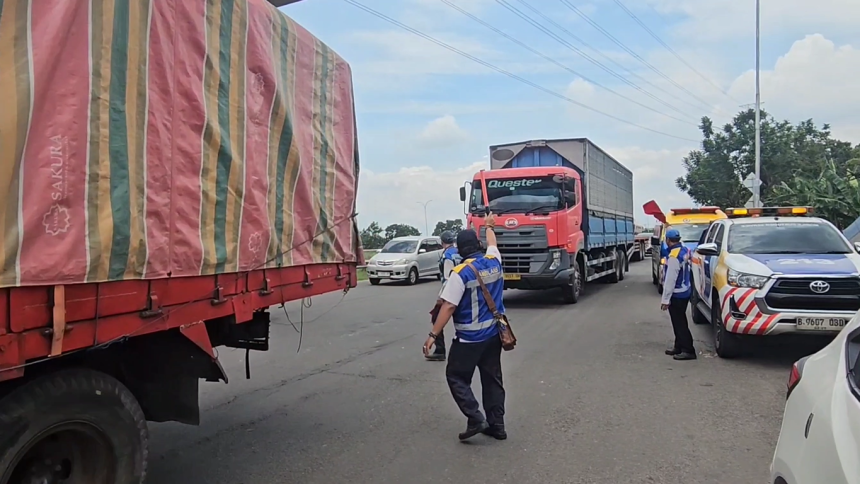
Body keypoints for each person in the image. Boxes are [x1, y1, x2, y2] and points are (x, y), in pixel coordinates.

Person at [423, 214, 507, 441]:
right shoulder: (494, 261)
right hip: (494, 335)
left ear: (460, 251)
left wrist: (433, 335)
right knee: (492, 379)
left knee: (456, 377)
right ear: (478, 245)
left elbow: (449, 306)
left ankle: (475, 418)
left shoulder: (460, 273)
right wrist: (489, 226)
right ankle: (497, 426)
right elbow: (493, 244)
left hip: (469, 339)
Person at [660, 228, 696, 360]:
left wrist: (665, 300)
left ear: (668, 240)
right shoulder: (685, 250)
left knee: (679, 323)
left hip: (677, 294)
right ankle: (679, 346)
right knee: (679, 321)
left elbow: (670, 280)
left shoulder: (673, 257)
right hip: (685, 291)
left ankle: (688, 350)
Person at [426, 231, 461, 362]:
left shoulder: (447, 256)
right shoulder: (458, 252)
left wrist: (442, 297)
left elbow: (448, 278)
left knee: (437, 318)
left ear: (442, 242)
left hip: (450, 292)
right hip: (462, 289)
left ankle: (440, 350)